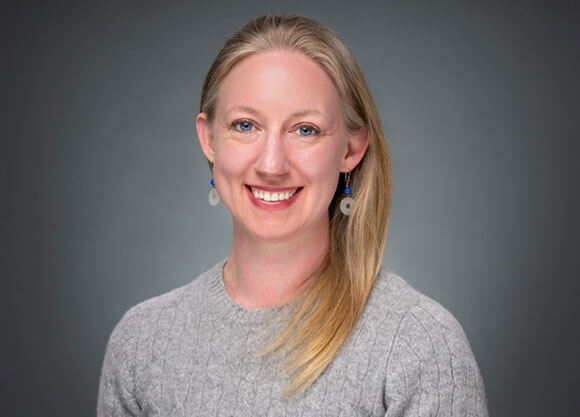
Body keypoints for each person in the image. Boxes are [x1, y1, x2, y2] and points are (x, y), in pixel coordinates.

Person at [97, 14, 488, 416]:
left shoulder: (416, 343)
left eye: (305, 130)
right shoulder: (141, 342)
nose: (271, 164)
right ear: (209, 139)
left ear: (351, 149)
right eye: (245, 125)